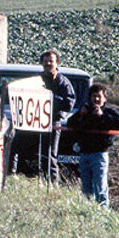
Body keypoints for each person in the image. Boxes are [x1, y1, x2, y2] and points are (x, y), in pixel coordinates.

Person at [66, 83, 119, 206]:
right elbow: (70, 124)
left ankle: (103, 212)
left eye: (99, 96)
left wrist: (102, 116)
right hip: (84, 154)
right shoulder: (85, 110)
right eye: (94, 96)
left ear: (105, 98)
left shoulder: (110, 112)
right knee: (86, 187)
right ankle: (87, 211)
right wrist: (80, 115)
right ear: (90, 97)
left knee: (100, 186)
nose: (96, 99)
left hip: (99, 154)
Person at [39, 48, 77, 184]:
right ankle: (40, 179)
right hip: (37, 121)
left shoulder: (63, 82)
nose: (48, 64)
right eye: (46, 61)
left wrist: (52, 102)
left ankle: (53, 181)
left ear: (57, 63)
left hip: (54, 122)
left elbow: (69, 102)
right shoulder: (37, 79)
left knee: (50, 153)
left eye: (51, 61)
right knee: (38, 152)